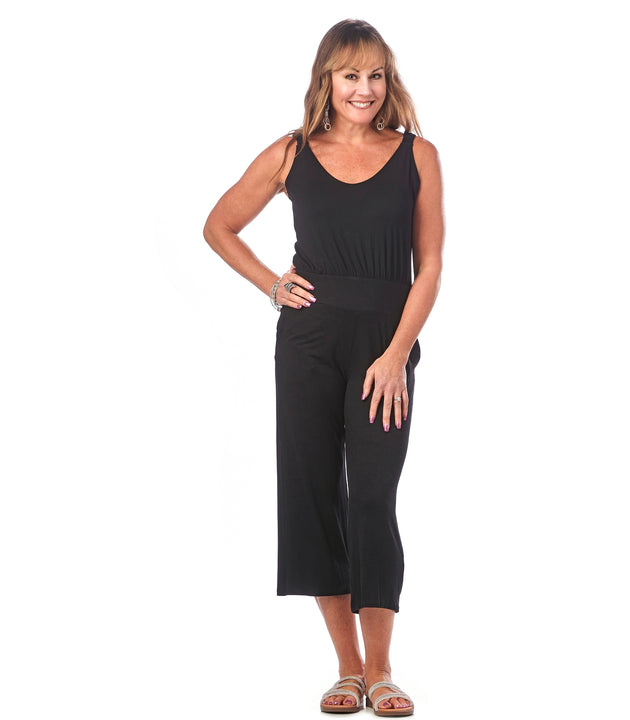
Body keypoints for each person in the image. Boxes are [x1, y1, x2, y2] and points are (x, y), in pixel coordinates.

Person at [203, 18, 443, 717]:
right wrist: (272, 284)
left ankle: (383, 668)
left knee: (371, 499)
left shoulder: (417, 155)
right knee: (313, 496)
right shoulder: (291, 153)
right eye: (350, 75)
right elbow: (218, 225)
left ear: (388, 81)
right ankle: (348, 669)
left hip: (384, 348)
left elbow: (429, 265)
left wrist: (396, 355)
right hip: (307, 344)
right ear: (326, 81)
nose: (363, 89)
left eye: (375, 75)